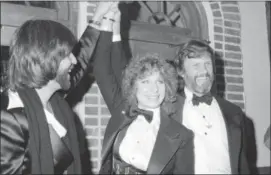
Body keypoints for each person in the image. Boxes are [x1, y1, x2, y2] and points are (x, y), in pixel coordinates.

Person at [91, 2, 194, 174]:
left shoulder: (181, 135)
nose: (153, 89)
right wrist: (110, 21)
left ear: (167, 86)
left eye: (159, 82)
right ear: (133, 86)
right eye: (145, 81)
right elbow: (103, 69)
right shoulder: (122, 110)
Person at [0, 19, 100, 174]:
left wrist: (98, 19)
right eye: (68, 55)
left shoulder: (55, 102)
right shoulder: (9, 119)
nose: (74, 60)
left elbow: (82, 60)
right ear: (46, 59)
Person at [173, 40, 250, 174]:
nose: (204, 71)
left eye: (207, 64)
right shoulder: (169, 111)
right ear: (181, 71)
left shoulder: (234, 112)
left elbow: (242, 166)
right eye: (196, 65)